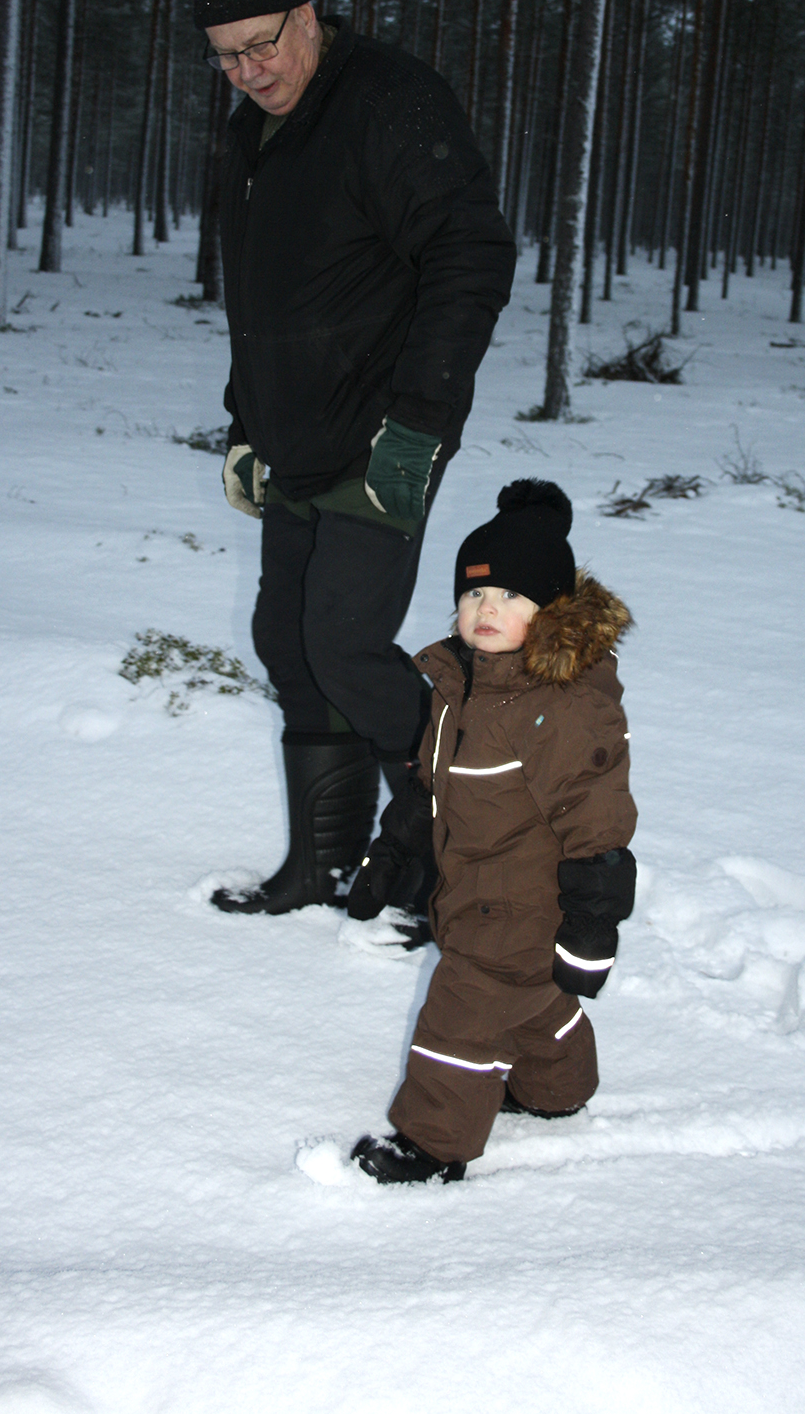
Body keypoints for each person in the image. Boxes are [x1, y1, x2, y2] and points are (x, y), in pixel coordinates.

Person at [194, 0, 516, 918]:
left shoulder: (389, 102)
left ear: (306, 17)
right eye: (225, 59)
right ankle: (321, 866)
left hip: (384, 428)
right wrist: (246, 424)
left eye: (260, 47)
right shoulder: (255, 134)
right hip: (296, 430)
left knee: (342, 639)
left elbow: (472, 254)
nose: (249, 73)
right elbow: (262, 301)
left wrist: (419, 424)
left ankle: (450, 860)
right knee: (287, 640)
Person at [346, 479, 638, 1183]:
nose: (487, 609)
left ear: (551, 615)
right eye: (475, 593)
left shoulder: (558, 709)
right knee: (533, 1000)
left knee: (461, 1021)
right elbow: (431, 786)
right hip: (472, 891)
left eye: (511, 596)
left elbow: (597, 825)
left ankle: (433, 1144)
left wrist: (592, 929)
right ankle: (555, 1089)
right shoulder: (461, 688)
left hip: (519, 905)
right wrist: (391, 854)